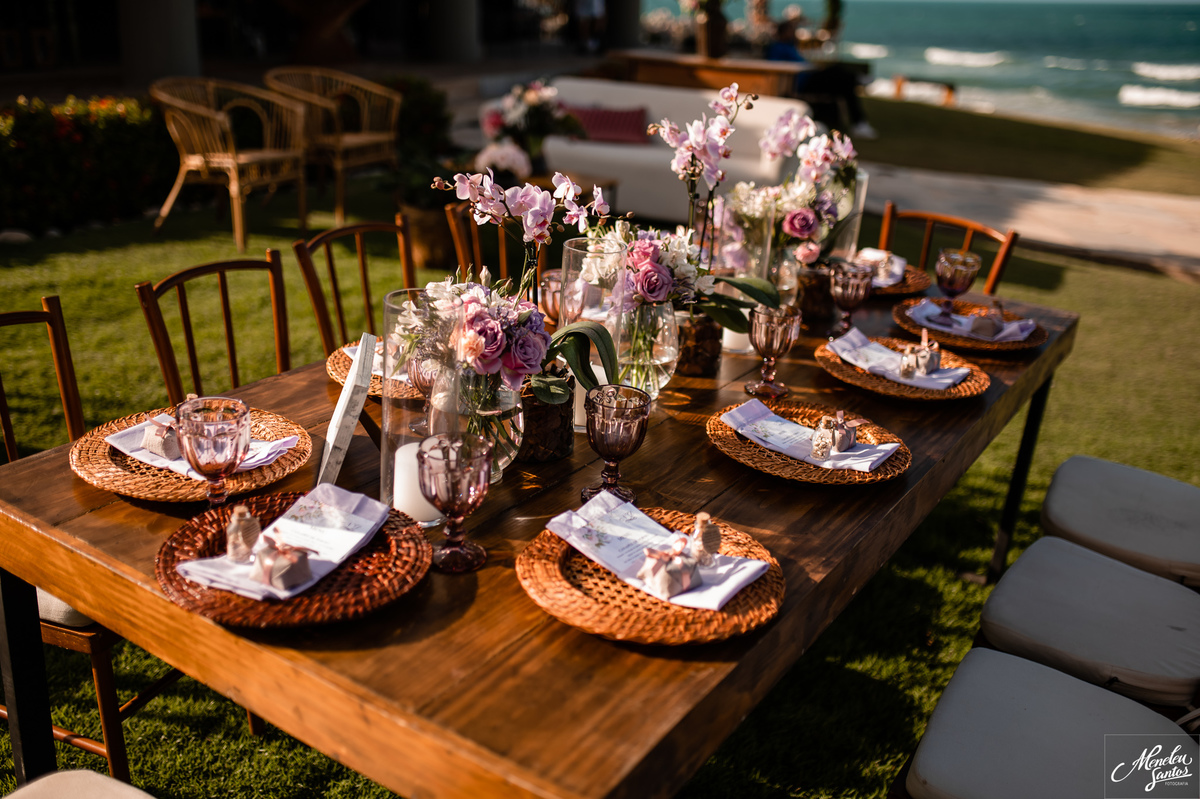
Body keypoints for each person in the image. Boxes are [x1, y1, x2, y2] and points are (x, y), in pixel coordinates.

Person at [765, 18, 877, 140]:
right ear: (782, 32)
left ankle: (859, 119)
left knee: (843, 81)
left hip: (809, 76)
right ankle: (859, 116)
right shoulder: (777, 47)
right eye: (790, 31)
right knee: (839, 74)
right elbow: (774, 65)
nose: (793, 33)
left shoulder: (791, 46)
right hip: (801, 82)